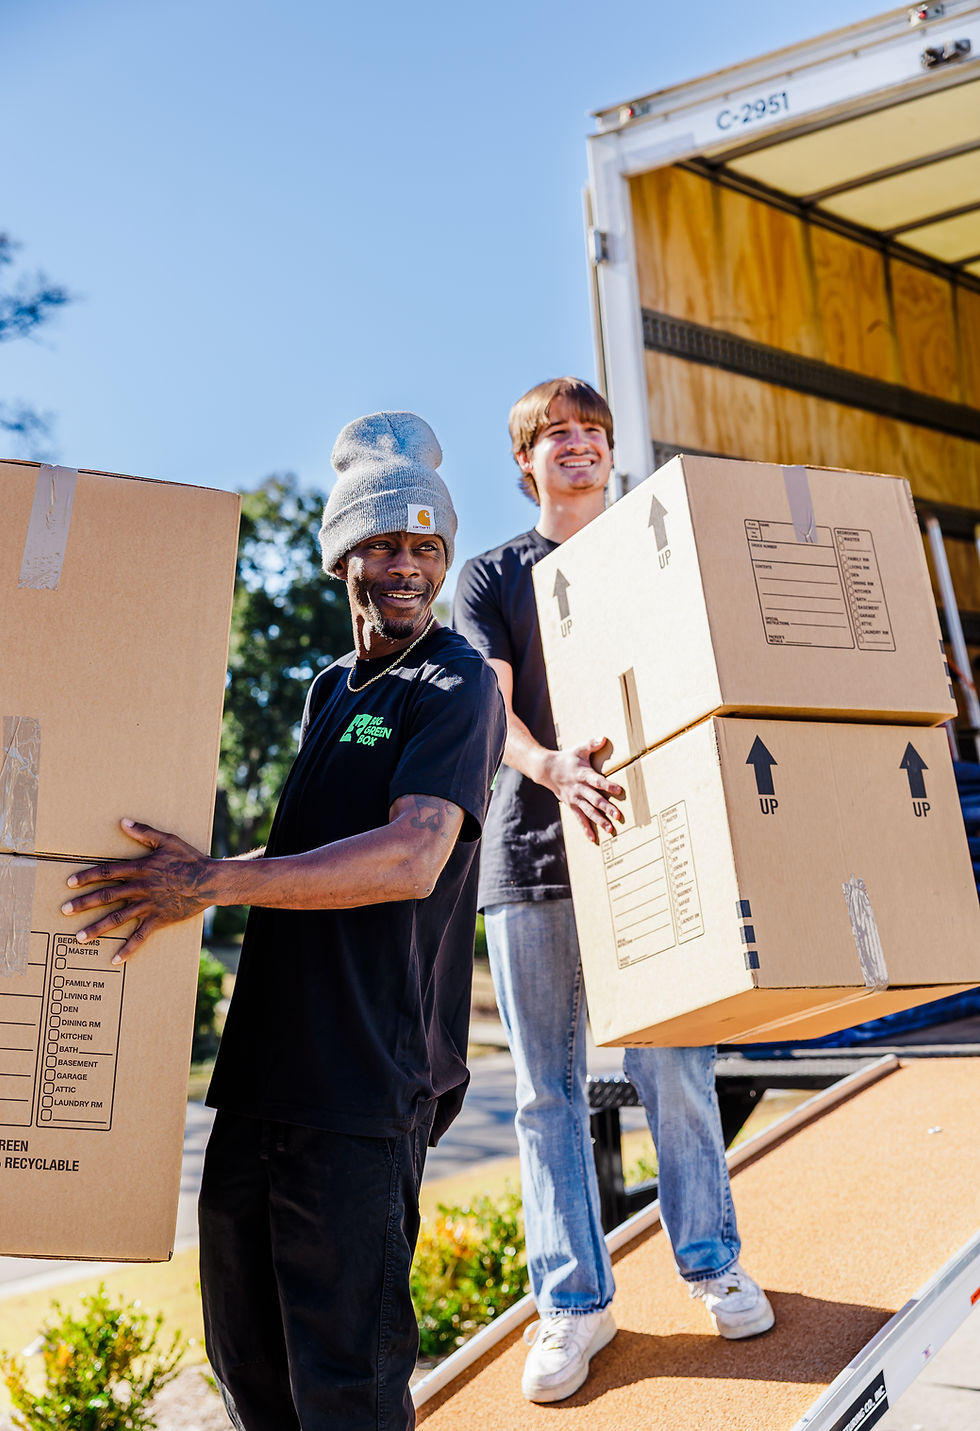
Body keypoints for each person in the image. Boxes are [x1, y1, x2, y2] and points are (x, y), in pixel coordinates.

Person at [62, 411, 507, 1431]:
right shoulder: (325, 690)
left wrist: (214, 883)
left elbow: (411, 854)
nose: (408, 566)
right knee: (248, 1367)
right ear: (340, 556)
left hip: (362, 1081)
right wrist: (181, 880)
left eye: (426, 547)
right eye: (385, 545)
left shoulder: (455, 683)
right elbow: (293, 858)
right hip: (262, 1076)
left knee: (345, 1384)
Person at [452, 377, 774, 1405]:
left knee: (672, 1069)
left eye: (593, 432)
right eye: (557, 437)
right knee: (546, 1094)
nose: (579, 448)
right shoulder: (491, 574)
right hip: (533, 855)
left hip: (648, 846)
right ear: (525, 463)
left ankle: (712, 1263)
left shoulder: (650, 550)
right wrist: (550, 769)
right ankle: (573, 1304)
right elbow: (486, 716)